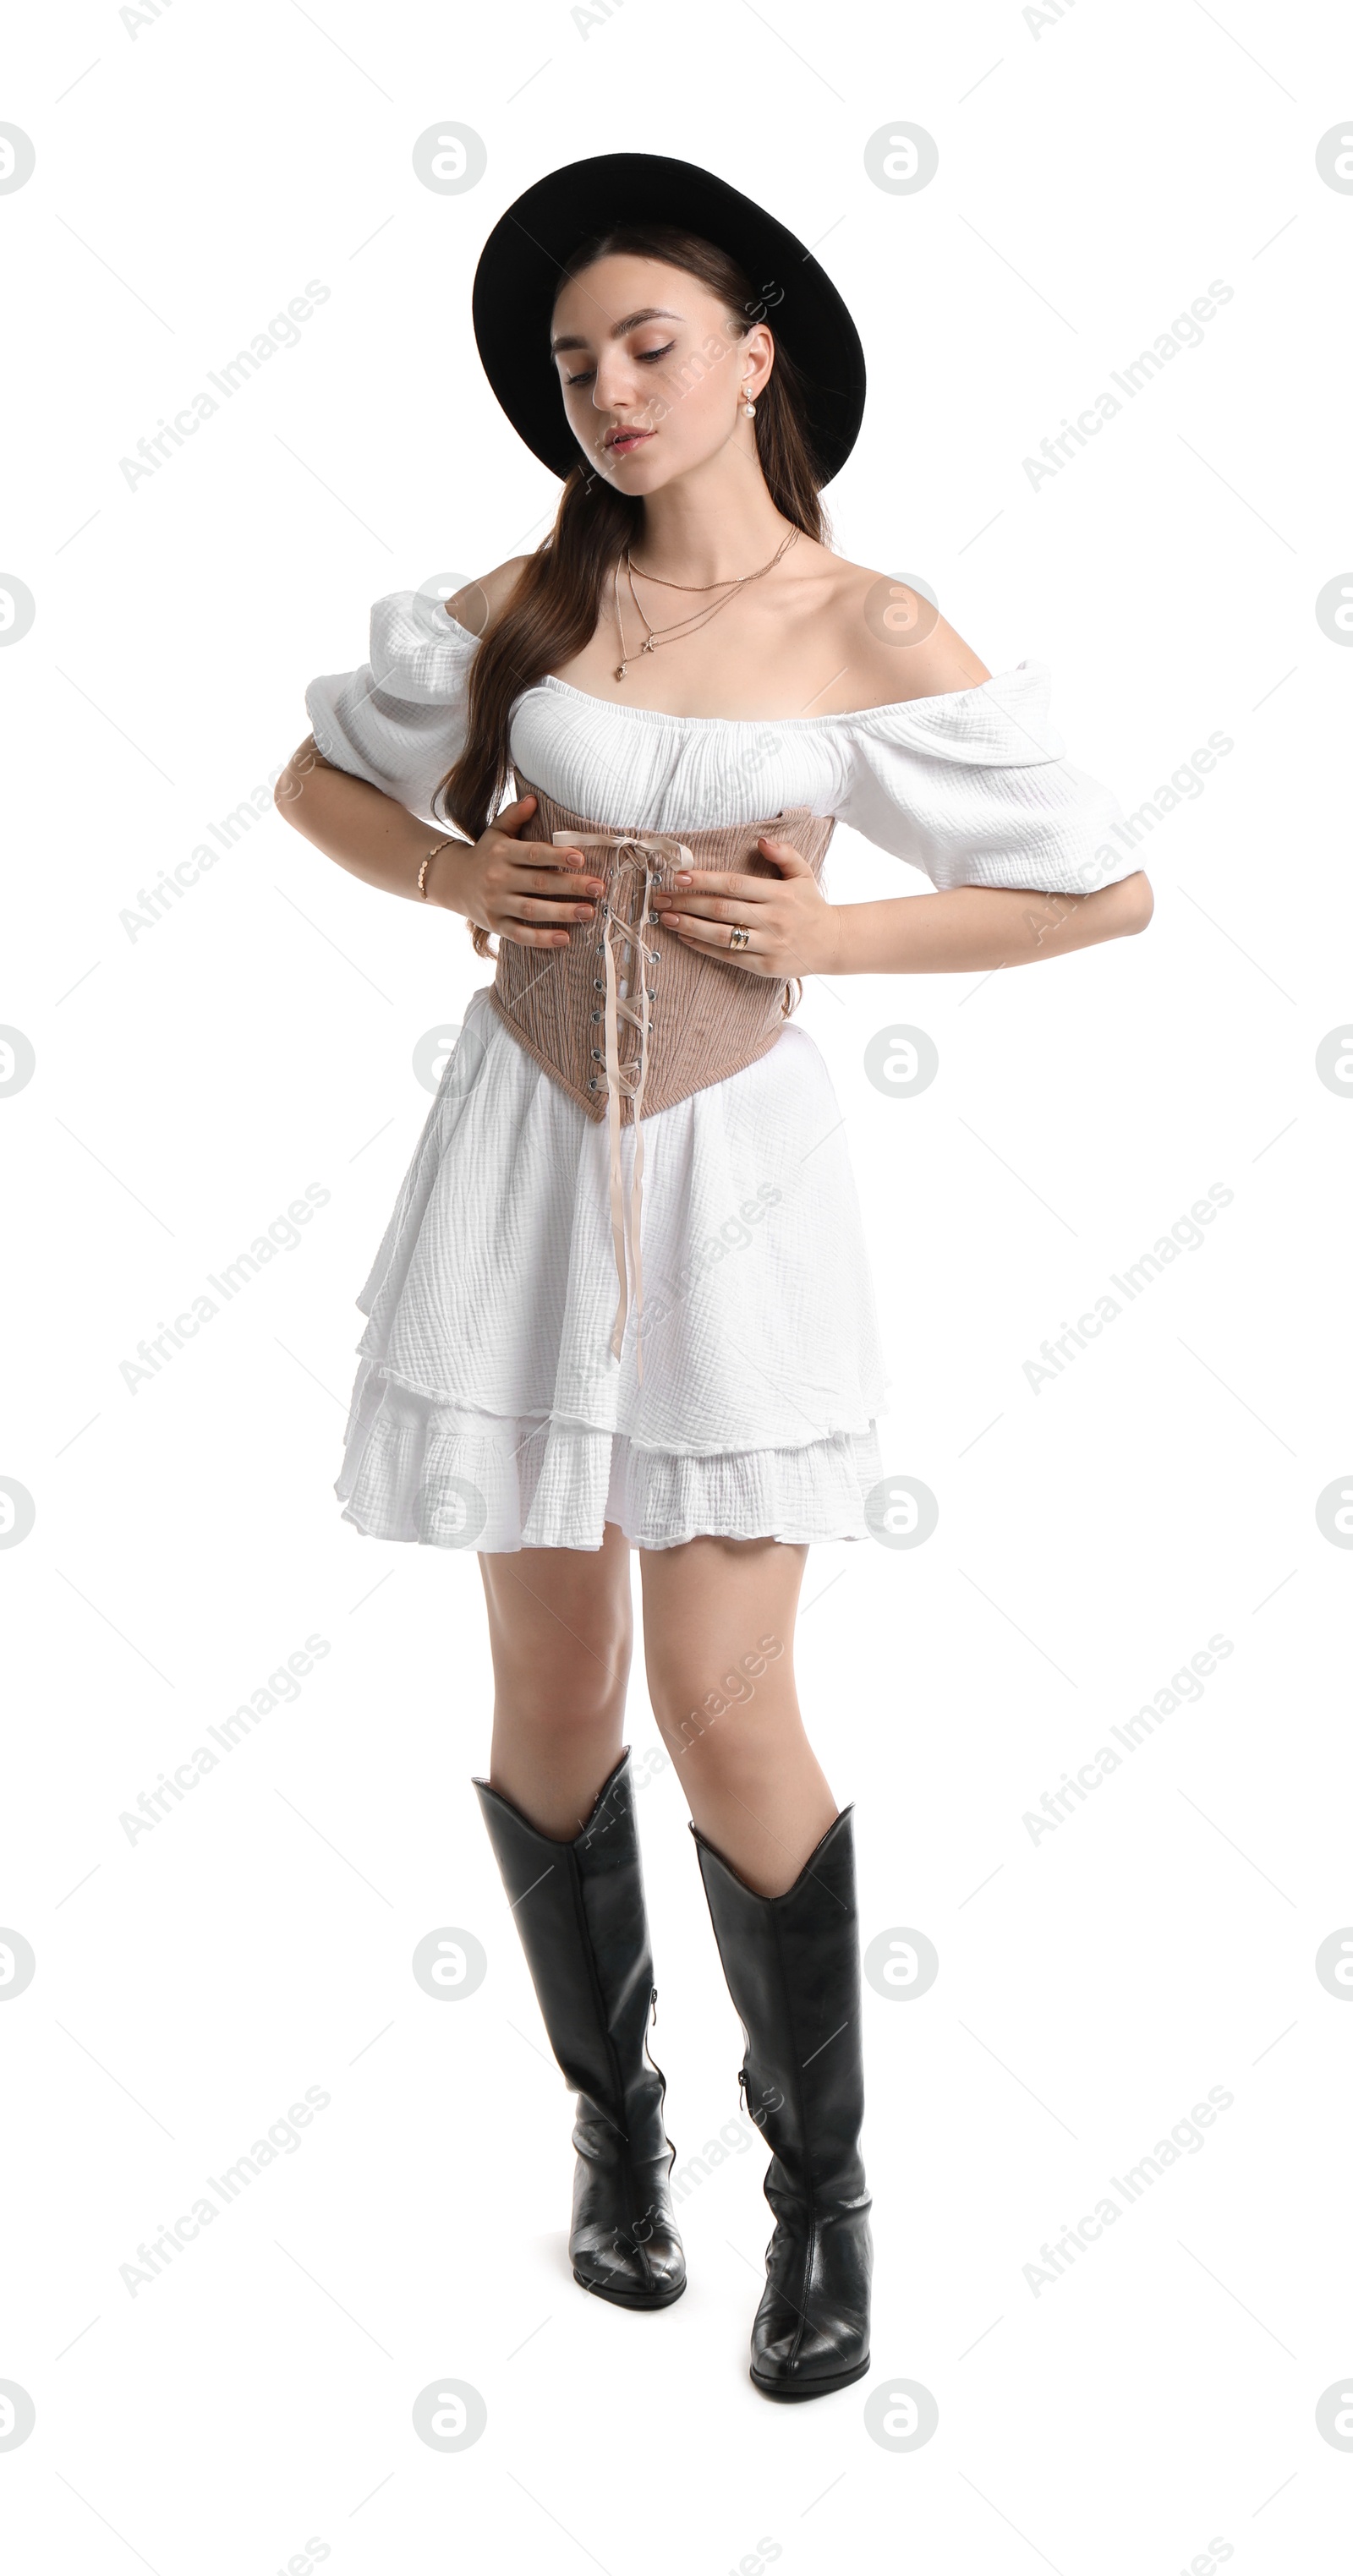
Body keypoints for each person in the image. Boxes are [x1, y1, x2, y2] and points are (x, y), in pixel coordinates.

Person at [277, 153, 1152, 2401]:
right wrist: (466, 865)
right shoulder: (528, 599)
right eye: (575, 363)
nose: (608, 391)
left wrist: (844, 930)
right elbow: (318, 790)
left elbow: (1097, 893)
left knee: (728, 1703)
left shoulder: (871, 633)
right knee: (550, 1703)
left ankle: (821, 2205)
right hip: (523, 1164)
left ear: (759, 354)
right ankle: (616, 2141)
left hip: (740, 1185)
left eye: (650, 343)